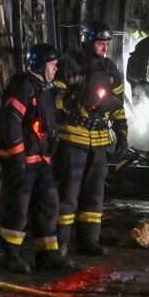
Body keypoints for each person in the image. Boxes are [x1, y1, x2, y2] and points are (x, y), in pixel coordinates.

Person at [0, 43, 73, 273]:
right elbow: (10, 120)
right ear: (41, 65)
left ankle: (47, 255)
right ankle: (10, 256)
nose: (56, 68)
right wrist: (18, 155)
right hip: (24, 161)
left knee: (49, 206)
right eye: (53, 64)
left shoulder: (43, 88)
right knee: (18, 208)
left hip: (41, 160)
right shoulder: (24, 86)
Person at [54, 20, 128, 256]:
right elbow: (53, 98)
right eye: (100, 43)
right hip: (72, 138)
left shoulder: (110, 69)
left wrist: (122, 133)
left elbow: (117, 106)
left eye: (107, 43)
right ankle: (59, 244)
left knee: (94, 194)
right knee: (68, 194)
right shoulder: (69, 64)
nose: (104, 48)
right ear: (87, 41)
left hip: (98, 142)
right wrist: (76, 101)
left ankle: (88, 240)